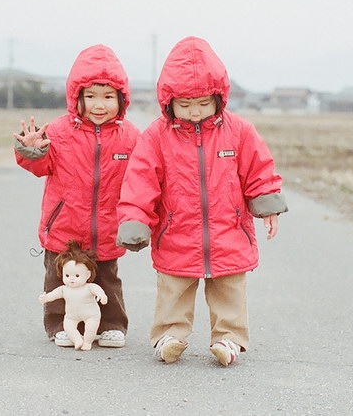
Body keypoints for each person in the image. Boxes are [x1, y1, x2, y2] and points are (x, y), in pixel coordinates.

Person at [116, 36, 288, 366]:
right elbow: (140, 181)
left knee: (230, 289)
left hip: (229, 231)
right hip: (176, 231)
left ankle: (229, 338)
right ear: (169, 102)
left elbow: (259, 168)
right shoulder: (156, 136)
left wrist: (266, 204)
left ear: (218, 98)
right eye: (185, 104)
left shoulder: (238, 131)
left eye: (203, 103)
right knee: (173, 287)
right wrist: (135, 219)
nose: (195, 112)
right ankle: (169, 335)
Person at [14, 44, 140, 348]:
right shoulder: (57, 132)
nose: (100, 105)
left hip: (108, 226)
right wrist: (33, 150)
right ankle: (59, 323)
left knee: (107, 278)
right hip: (65, 225)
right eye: (91, 96)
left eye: (108, 97)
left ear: (121, 100)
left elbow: (143, 176)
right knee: (59, 277)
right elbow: (40, 166)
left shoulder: (130, 136)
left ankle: (111, 324)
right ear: (76, 98)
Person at [39, 241, 108, 351]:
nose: (71, 279)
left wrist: (102, 295)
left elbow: (98, 290)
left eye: (77, 275)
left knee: (91, 328)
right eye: (67, 275)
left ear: (88, 275)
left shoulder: (89, 287)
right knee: (68, 326)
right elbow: (54, 294)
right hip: (71, 315)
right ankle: (77, 340)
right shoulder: (64, 289)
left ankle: (87, 342)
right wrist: (46, 298)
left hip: (91, 314)